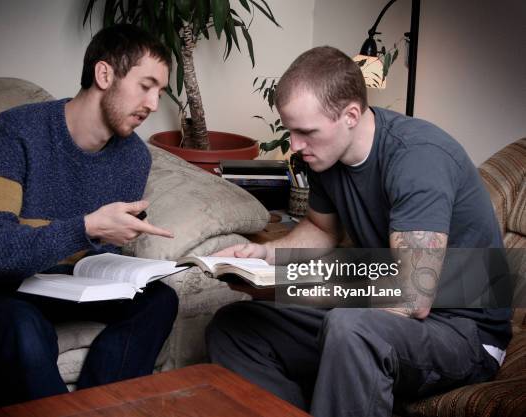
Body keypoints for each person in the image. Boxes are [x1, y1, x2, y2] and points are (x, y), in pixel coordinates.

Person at [206, 46, 512, 417]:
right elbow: (321, 228)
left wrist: (289, 284)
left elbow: (413, 298)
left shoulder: (418, 159)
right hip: (385, 318)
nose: (296, 147)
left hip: (464, 331)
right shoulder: (327, 156)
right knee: (236, 325)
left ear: (351, 114)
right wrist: (267, 258)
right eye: (291, 131)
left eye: (306, 132)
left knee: (351, 327)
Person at [0, 24, 178, 405]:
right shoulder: (16, 131)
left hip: (63, 286)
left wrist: (118, 258)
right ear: (104, 75)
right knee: (24, 324)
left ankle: (98, 409)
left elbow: (96, 254)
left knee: (160, 299)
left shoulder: (134, 156)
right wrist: (87, 227)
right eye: (145, 86)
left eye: (160, 92)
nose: (153, 104)